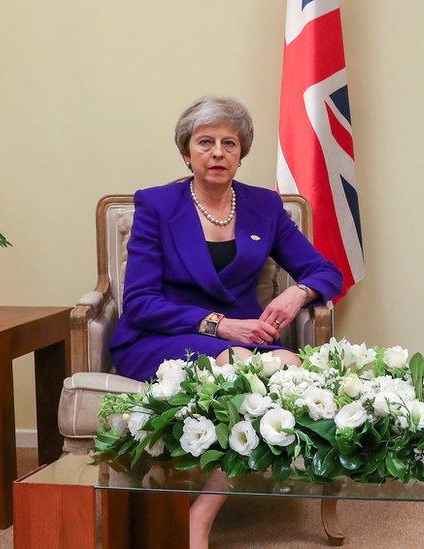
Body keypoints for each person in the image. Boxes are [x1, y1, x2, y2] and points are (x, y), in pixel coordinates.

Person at [108, 96, 343, 548]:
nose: (218, 152)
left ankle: (204, 509)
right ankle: (196, 521)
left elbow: (325, 271)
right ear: (187, 153)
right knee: (243, 366)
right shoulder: (157, 205)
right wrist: (218, 324)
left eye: (229, 143)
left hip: (236, 341)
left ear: (241, 153)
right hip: (160, 337)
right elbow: (139, 302)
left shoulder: (264, 207)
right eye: (206, 142)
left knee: (290, 368)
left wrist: (298, 292)